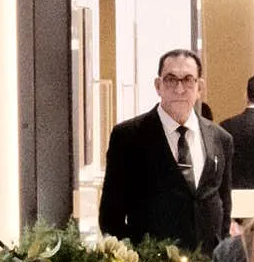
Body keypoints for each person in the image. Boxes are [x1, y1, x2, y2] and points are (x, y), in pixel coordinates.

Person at [99, 50, 233, 247]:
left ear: (199, 87)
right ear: (158, 85)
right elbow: (111, 216)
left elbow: (224, 205)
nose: (179, 89)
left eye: (188, 80)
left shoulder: (221, 139)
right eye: (171, 79)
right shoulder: (128, 137)